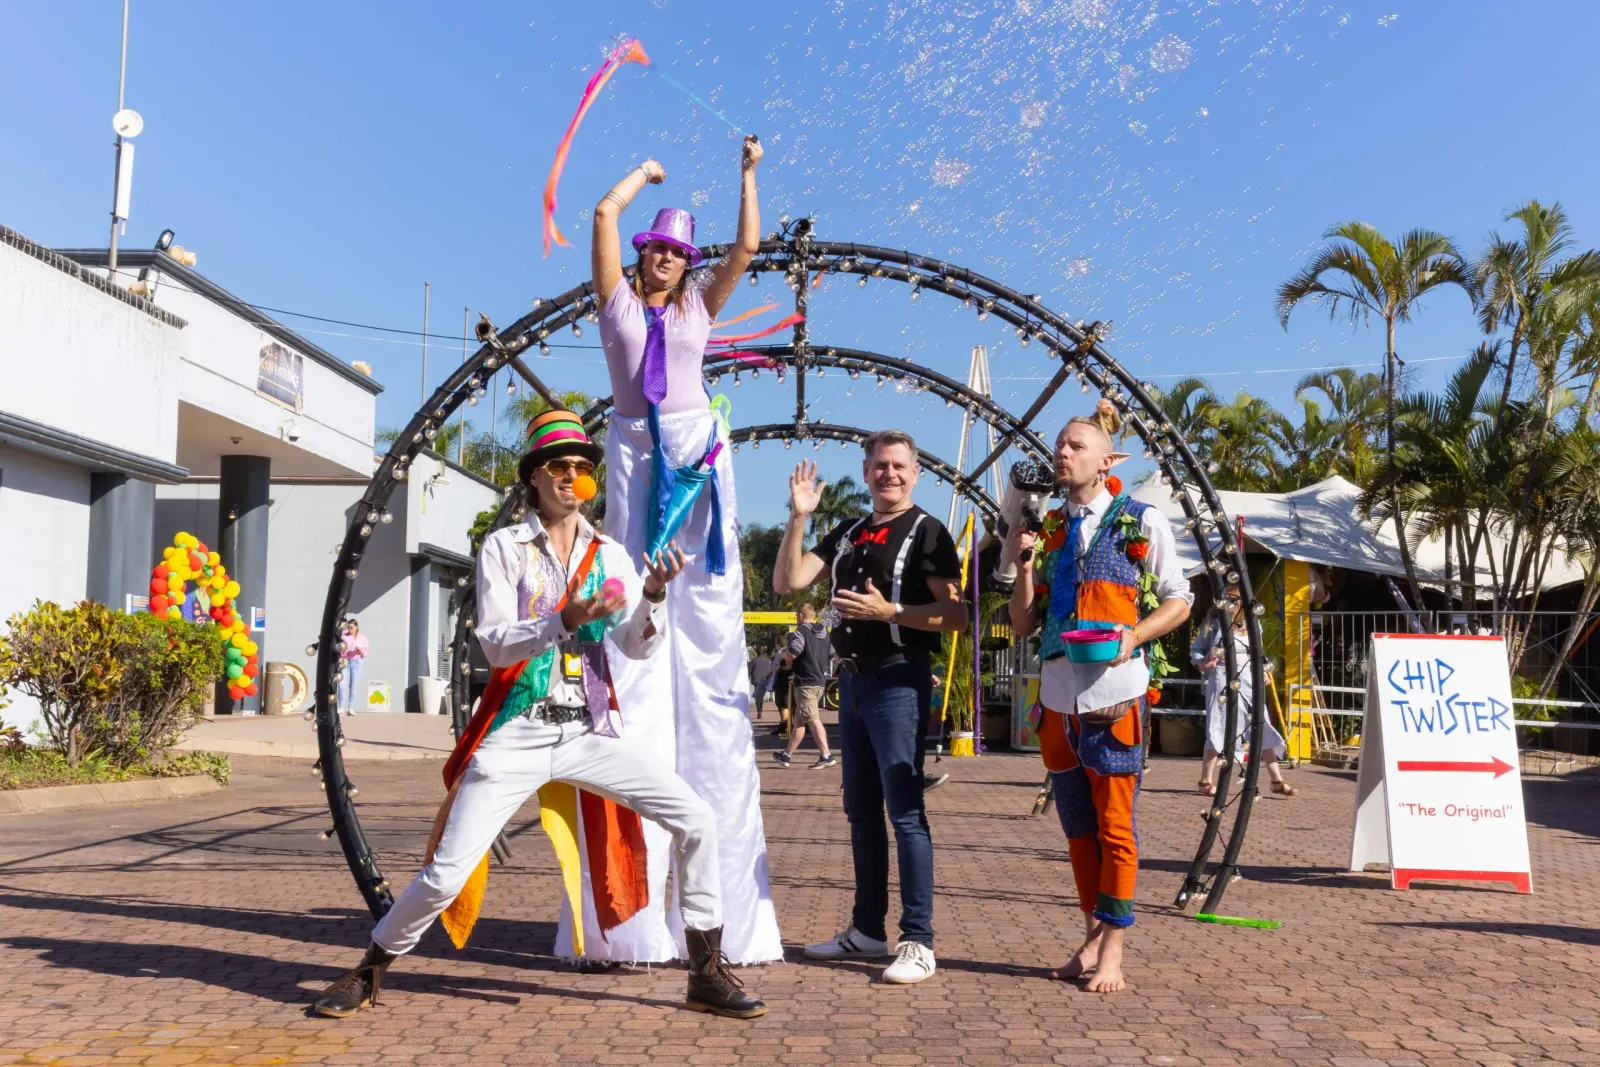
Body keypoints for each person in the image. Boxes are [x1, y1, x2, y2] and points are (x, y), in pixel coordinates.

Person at [312, 413, 764, 1020]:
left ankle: (705, 973)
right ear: (534, 476)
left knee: (698, 820)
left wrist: (653, 595)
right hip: (519, 730)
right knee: (446, 874)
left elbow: (636, 646)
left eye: (582, 466)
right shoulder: (505, 547)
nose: (572, 476)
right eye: (559, 466)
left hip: (588, 728)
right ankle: (370, 969)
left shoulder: (610, 555)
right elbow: (496, 645)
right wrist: (563, 619)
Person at [587, 135, 783, 964]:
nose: (665, 259)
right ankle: (630, 913)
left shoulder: (698, 309)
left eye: (676, 252)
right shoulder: (617, 308)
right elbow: (602, 213)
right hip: (636, 451)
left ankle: (719, 909)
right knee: (633, 603)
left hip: (695, 448)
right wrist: (644, 174)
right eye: (657, 249)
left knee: (704, 609)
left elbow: (748, 248)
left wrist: (748, 174)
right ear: (643, 256)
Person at [1007, 399, 1193, 994]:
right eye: (1058, 445)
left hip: (1116, 694)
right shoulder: (1049, 530)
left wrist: (1133, 636)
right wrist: (1025, 568)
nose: (1061, 453)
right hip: (1057, 697)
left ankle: (1114, 948)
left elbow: (1179, 598)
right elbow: (1022, 624)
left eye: (1075, 445)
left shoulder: (1141, 518)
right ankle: (1090, 936)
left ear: (1108, 461)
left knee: (1114, 827)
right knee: (1076, 828)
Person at [774, 432, 967, 985]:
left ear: (915, 473)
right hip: (853, 683)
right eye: (880, 465)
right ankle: (866, 930)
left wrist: (893, 612)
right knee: (860, 811)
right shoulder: (849, 531)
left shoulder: (928, 531)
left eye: (899, 466)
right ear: (865, 472)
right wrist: (798, 517)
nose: (890, 474)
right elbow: (788, 581)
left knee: (905, 811)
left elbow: (957, 616)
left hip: (899, 679)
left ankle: (919, 940)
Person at [1192, 588, 1297, 797]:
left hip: (1248, 678)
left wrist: (1263, 671)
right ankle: (1205, 781)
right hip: (1222, 677)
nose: (1230, 603)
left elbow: (1258, 653)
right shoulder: (1213, 624)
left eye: (1233, 600)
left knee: (1260, 723)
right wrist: (1203, 663)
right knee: (1218, 726)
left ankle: (1276, 780)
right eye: (1226, 599)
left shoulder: (1252, 624)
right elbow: (1196, 650)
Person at [774, 604, 837, 769]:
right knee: (799, 723)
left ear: (800, 615)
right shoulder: (825, 633)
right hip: (819, 682)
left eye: (797, 616)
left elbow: (794, 652)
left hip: (805, 683)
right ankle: (786, 755)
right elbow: (831, 655)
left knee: (813, 719)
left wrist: (783, 655)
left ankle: (827, 755)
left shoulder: (800, 632)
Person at [336, 618, 368, 715]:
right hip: (345, 662)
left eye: (351, 627)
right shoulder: (344, 636)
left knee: (353, 686)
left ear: (356, 627)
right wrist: (344, 651)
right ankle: (341, 706)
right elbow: (339, 649)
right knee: (341, 684)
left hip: (357, 662)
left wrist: (360, 650)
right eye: (348, 627)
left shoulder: (362, 638)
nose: (349, 629)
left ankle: (351, 708)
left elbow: (365, 653)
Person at [747, 650, 774, 720]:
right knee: (760, 696)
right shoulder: (768, 661)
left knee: (758, 696)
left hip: (756, 679)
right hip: (764, 679)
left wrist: (748, 677)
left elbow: (749, 670)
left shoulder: (754, 660)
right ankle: (760, 711)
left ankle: (759, 711)